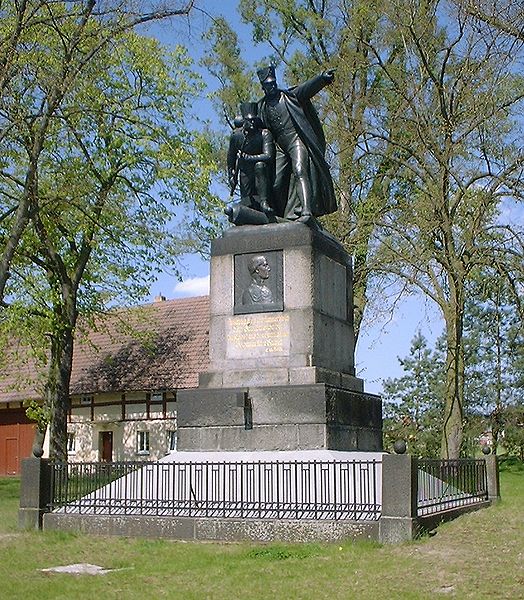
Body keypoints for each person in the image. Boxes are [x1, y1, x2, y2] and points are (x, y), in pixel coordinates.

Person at [257, 65, 337, 223]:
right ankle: (285, 214)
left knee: (300, 170)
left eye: (273, 83)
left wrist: (322, 79)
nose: (272, 86)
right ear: (263, 87)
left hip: (296, 140)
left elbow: (307, 89)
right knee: (276, 182)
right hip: (279, 146)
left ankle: (306, 211)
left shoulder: (289, 96)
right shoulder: (262, 106)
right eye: (268, 84)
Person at [227, 102, 275, 215]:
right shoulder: (236, 136)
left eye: (254, 120)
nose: (252, 123)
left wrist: (248, 158)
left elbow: (268, 155)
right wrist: (231, 175)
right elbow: (231, 157)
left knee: (260, 166)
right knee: (246, 200)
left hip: (263, 170)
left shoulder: (264, 134)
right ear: (244, 121)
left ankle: (264, 202)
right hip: (245, 171)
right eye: (249, 120)